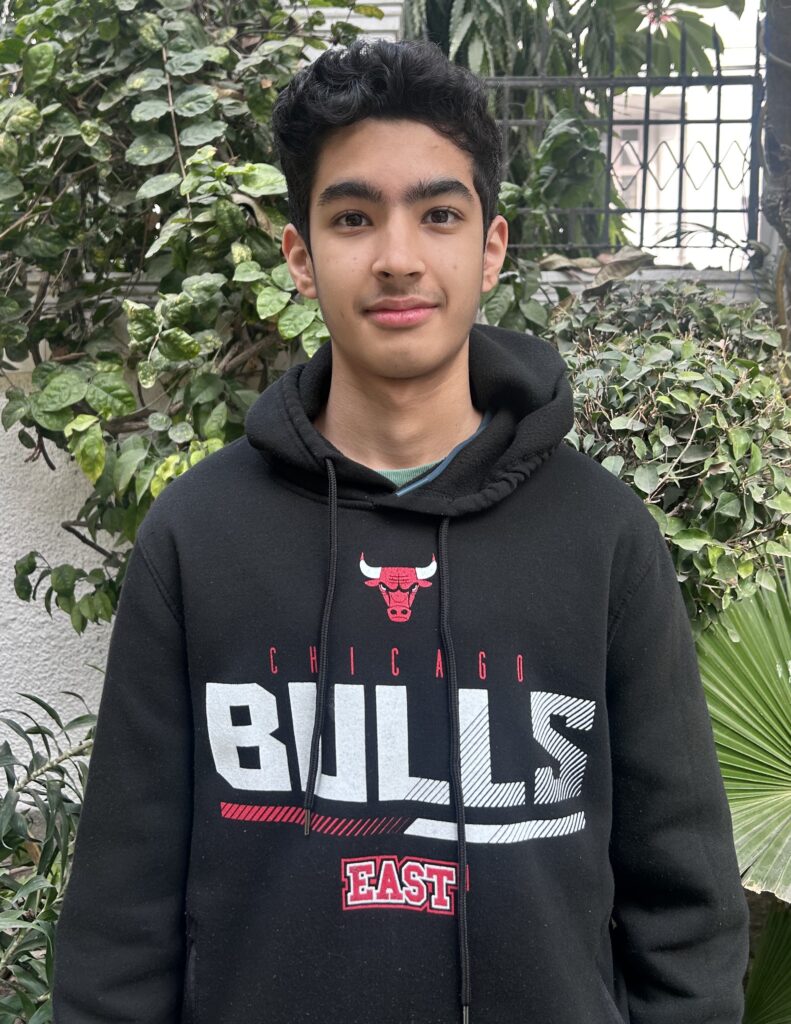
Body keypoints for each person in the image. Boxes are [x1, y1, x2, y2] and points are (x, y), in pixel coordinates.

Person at [52, 36, 749, 1024]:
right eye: (351, 216)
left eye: (437, 214)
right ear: (300, 256)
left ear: (489, 248)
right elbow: (120, 922)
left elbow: (682, 911)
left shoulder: (600, 537)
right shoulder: (197, 538)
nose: (396, 257)